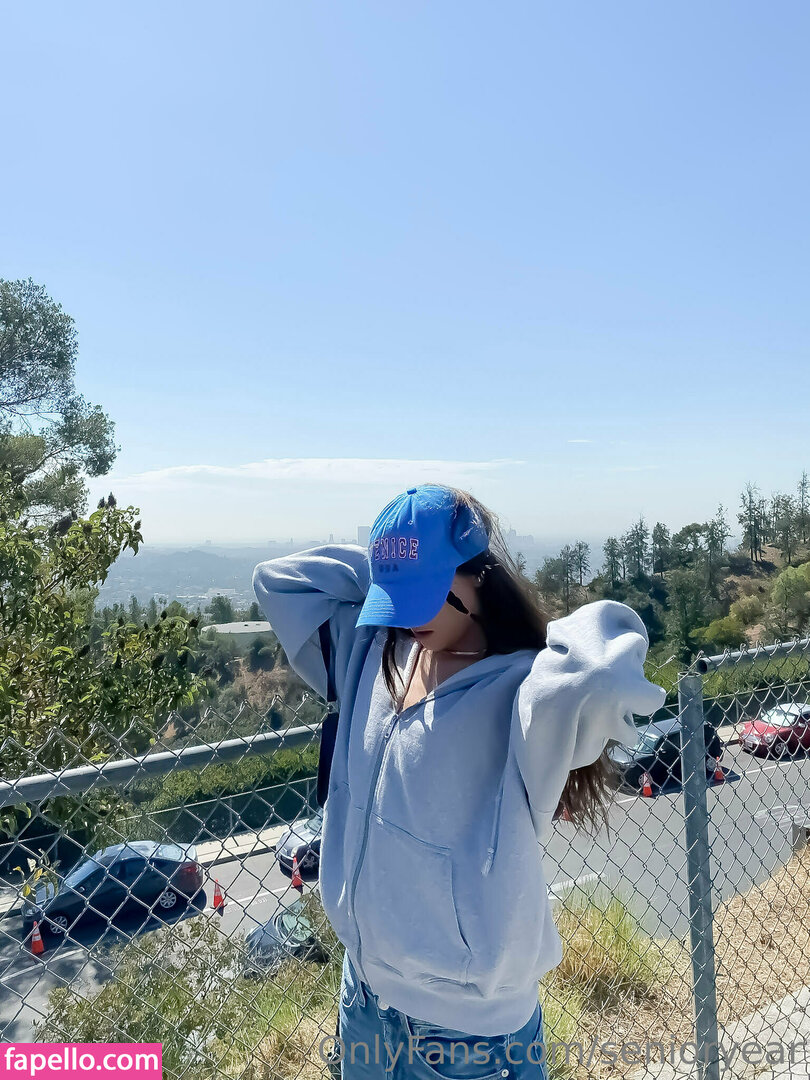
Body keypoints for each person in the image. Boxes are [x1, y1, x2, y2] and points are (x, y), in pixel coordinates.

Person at [252, 484, 666, 1079]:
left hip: (467, 1036)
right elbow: (278, 582)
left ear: (478, 576)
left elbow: (596, 671)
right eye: (395, 601)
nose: (406, 616)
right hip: (364, 999)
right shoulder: (371, 650)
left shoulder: (520, 696)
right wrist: (392, 569)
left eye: (421, 596)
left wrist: (424, 571)